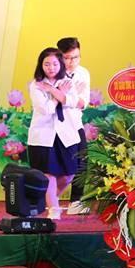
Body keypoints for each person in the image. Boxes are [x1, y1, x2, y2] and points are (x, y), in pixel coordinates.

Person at [27, 47, 81, 220]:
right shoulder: (36, 85)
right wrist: (57, 94)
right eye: (47, 64)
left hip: (67, 134)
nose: (51, 68)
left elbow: (71, 102)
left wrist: (52, 90)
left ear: (61, 64)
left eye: (55, 64)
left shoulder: (67, 82)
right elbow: (47, 109)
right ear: (41, 65)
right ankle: (54, 209)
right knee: (48, 173)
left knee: (69, 174)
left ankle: (51, 200)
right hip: (44, 135)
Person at [58, 37, 91, 215]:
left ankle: (76, 202)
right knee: (61, 167)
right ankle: (46, 201)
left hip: (75, 123)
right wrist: (72, 95)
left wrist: (69, 97)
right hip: (56, 125)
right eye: (67, 58)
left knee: (83, 162)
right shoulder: (52, 72)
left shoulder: (83, 73)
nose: (72, 62)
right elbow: (57, 102)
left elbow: (83, 102)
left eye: (76, 57)